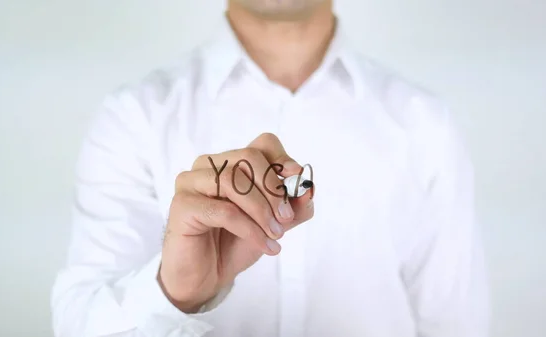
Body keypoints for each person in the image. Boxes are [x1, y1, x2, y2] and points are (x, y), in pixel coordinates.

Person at [51, 0, 489, 336]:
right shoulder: (134, 117)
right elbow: (79, 323)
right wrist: (175, 292)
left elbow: (455, 325)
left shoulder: (426, 123)